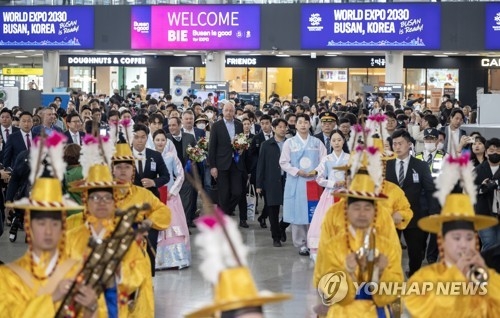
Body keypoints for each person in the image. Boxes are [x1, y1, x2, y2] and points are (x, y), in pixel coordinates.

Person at [404, 159, 500, 317]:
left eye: (469, 237)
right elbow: (422, 309)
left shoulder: (488, 275)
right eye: (456, 237)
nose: (464, 244)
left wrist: (483, 279)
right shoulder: (423, 278)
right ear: (441, 239)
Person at [0, 175, 98, 317]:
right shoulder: (9, 277)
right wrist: (52, 298)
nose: (48, 231)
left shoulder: (77, 271)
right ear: (29, 226)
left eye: (54, 223)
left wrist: (91, 308)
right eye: (41, 223)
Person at [67, 162, 153, 318]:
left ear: (114, 202)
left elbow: (140, 276)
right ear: (86, 200)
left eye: (107, 197)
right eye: (95, 197)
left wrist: (119, 272)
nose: (101, 202)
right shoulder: (70, 239)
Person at [314, 169, 404, 317]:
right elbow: (322, 278)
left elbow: (395, 282)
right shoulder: (333, 237)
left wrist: (380, 273)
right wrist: (347, 272)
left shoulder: (385, 228)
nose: (362, 213)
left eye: (367, 208)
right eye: (356, 208)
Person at [386, 129, 440, 277]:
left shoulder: (420, 165)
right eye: (394, 144)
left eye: (400, 143)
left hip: (416, 215)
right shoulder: (386, 165)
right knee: (390, 249)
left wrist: (434, 212)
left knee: (416, 251)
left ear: (409, 144)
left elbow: (430, 190)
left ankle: (414, 273)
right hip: (391, 216)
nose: (397, 147)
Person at [279, 113, 327, 256]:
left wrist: (316, 171)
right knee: (298, 213)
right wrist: (297, 171)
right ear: (295, 125)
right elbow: (283, 162)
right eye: (300, 122)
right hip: (297, 182)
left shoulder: (317, 142)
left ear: (309, 124)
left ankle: (313, 242)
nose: (303, 125)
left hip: (312, 182)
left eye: (306, 122)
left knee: (313, 212)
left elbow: (325, 160)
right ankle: (300, 244)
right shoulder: (289, 143)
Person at [307, 129, 349, 261]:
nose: (336, 143)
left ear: (344, 141)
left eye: (339, 140)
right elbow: (319, 178)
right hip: (329, 195)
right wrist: (332, 183)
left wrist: (347, 182)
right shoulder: (326, 159)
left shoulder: (350, 158)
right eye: (334, 140)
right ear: (330, 142)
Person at [153, 129, 190, 270]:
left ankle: (178, 258)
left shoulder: (172, 157)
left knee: (173, 226)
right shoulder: (150, 156)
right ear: (154, 141)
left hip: (170, 197)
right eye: (158, 140)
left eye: (163, 140)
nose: (160, 142)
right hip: (155, 198)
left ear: (166, 141)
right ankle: (158, 261)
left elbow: (180, 175)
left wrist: (172, 192)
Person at [208, 101, 248, 227]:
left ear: (234, 112)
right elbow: (212, 147)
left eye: (231, 110)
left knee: (237, 192)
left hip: (236, 163)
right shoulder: (216, 126)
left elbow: (242, 141)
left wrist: (242, 148)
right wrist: (212, 166)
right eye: (226, 110)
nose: (229, 113)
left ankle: (225, 212)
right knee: (223, 194)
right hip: (221, 164)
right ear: (222, 111)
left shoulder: (239, 124)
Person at [256, 118, 290, 247]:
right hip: (271, 181)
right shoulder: (266, 145)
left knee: (289, 209)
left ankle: (282, 227)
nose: (282, 129)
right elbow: (261, 165)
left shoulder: (290, 143)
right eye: (280, 127)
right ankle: (275, 236)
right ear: (274, 128)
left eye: (284, 127)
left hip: (287, 180)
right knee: (273, 210)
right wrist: (259, 184)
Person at [166, 117, 197, 227]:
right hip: (170, 176)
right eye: (169, 125)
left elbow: (196, 152)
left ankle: (185, 224)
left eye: (173, 125)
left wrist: (194, 159)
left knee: (186, 200)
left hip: (186, 174)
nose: (171, 128)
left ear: (179, 125)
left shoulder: (190, 137)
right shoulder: (166, 138)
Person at [474, 137, 500, 251]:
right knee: (489, 245)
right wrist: (481, 188)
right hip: (484, 214)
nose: (495, 153)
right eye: (491, 150)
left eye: (498, 150)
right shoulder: (478, 170)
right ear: (486, 153)